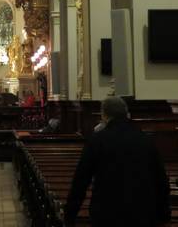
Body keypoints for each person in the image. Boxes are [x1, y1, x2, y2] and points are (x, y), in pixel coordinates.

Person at [64, 96, 170, 227]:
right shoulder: (145, 140)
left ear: (104, 115)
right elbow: (161, 181)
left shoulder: (97, 141)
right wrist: (164, 215)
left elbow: (81, 181)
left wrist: (69, 216)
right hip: (142, 214)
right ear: (126, 114)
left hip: (107, 214)